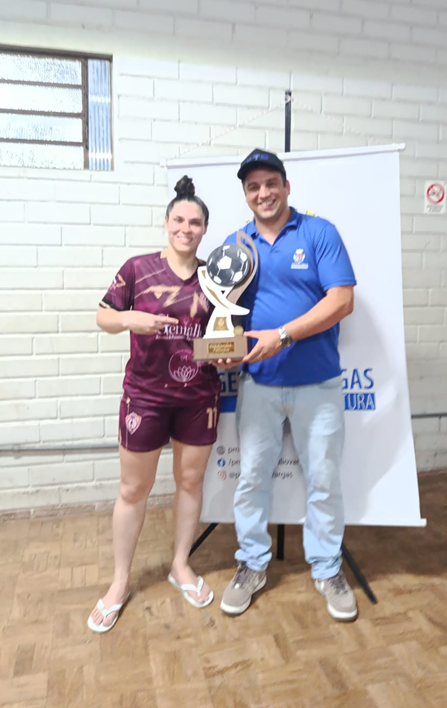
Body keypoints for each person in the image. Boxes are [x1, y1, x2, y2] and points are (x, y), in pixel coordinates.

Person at [219, 148, 358, 621]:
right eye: (253, 187)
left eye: (270, 183)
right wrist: (222, 347)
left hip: (318, 385)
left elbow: (342, 301)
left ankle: (327, 568)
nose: (263, 193)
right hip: (258, 385)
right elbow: (224, 311)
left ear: (286, 186)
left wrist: (282, 335)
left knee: (324, 482)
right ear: (246, 194)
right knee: (251, 480)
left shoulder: (319, 232)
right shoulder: (236, 243)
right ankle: (252, 564)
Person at [87, 176, 221, 633]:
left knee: (190, 481)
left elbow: (224, 336)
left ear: (205, 229)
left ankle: (180, 564)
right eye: (179, 220)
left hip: (198, 395)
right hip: (145, 395)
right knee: (133, 490)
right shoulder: (137, 268)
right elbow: (103, 316)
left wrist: (225, 350)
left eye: (195, 222)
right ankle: (120, 581)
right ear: (166, 223)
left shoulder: (215, 276)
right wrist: (130, 318)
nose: (186, 228)